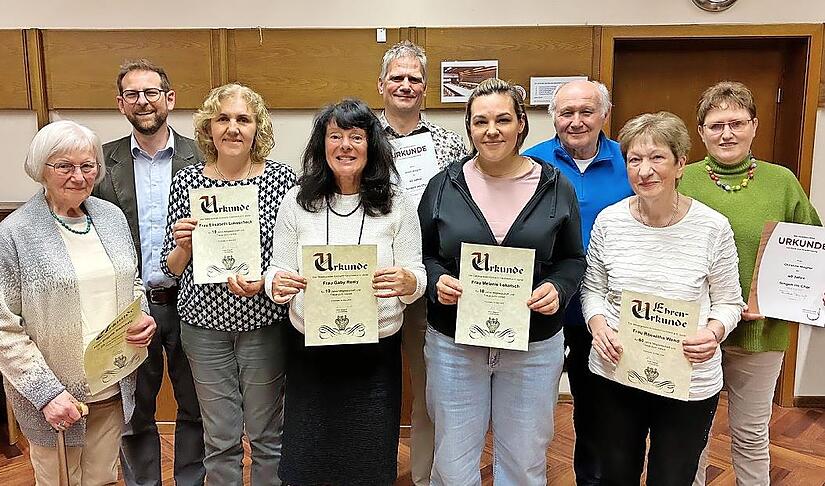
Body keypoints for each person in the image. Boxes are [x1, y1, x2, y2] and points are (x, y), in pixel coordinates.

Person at [418, 78, 585, 485]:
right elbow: (423, 254)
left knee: (524, 461)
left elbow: (572, 259)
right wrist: (437, 280)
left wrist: (558, 288)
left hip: (533, 344)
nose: (491, 130)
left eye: (503, 120)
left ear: (521, 124)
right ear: (469, 128)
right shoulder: (443, 185)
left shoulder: (555, 185)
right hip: (455, 344)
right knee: (453, 462)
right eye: (481, 121)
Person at [265, 98, 425, 485]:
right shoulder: (296, 202)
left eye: (356, 136)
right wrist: (276, 284)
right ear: (322, 144)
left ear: (372, 145)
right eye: (335, 136)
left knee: (367, 458)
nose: (345, 146)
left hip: (374, 353)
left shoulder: (397, 203)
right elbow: (276, 270)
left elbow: (417, 274)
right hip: (311, 351)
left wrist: (408, 283)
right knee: (309, 460)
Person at [581, 111, 745, 485]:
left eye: (657, 158)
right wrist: (598, 326)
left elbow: (729, 302)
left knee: (672, 477)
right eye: (634, 159)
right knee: (615, 475)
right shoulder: (609, 221)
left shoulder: (712, 227)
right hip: (616, 372)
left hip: (688, 379)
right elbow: (593, 289)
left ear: (680, 164)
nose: (645, 170)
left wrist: (714, 333)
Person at [679, 81, 823, 485]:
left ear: (754, 126)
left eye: (737, 123)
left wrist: (799, 296)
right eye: (716, 125)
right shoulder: (682, 180)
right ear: (701, 132)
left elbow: (812, 250)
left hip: (760, 331)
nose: (727, 134)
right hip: (693, 332)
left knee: (751, 434)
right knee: (690, 435)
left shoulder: (782, 182)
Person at [0, 120, 156, 485]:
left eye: (87, 165)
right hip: (55, 397)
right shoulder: (15, 233)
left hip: (112, 384)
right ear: (41, 168)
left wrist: (143, 315)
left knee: (102, 479)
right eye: (64, 166)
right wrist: (46, 394)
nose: (78, 176)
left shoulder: (111, 217)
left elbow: (131, 281)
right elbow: (4, 327)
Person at [160, 83, 296, 485]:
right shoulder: (187, 182)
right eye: (223, 118)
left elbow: (291, 258)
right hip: (203, 328)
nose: (232, 128)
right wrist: (184, 246)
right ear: (209, 128)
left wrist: (264, 280)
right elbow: (172, 267)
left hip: (263, 324)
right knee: (219, 439)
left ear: (257, 128)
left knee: (268, 436)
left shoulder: (282, 180)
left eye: (243, 119)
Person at [93, 59, 205, 486]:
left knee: (195, 406)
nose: (143, 101)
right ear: (121, 103)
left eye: (152, 92)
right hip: (129, 308)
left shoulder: (204, 156)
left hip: (193, 303)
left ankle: (190, 480)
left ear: (169, 99)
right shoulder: (100, 164)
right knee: (135, 411)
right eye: (133, 94)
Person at [522, 79, 632, 486]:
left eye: (586, 111)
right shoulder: (530, 163)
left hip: (605, 313)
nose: (576, 121)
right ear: (553, 117)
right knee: (528, 408)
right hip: (540, 304)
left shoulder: (630, 162)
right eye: (566, 113)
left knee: (597, 410)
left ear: (605, 113)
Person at [376, 39, 468, 486]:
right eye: (397, 77)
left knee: (431, 389)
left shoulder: (449, 144)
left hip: (428, 278)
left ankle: (424, 476)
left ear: (425, 87)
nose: (406, 85)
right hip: (370, 279)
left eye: (414, 78)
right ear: (381, 84)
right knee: (371, 387)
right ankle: (370, 471)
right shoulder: (360, 138)